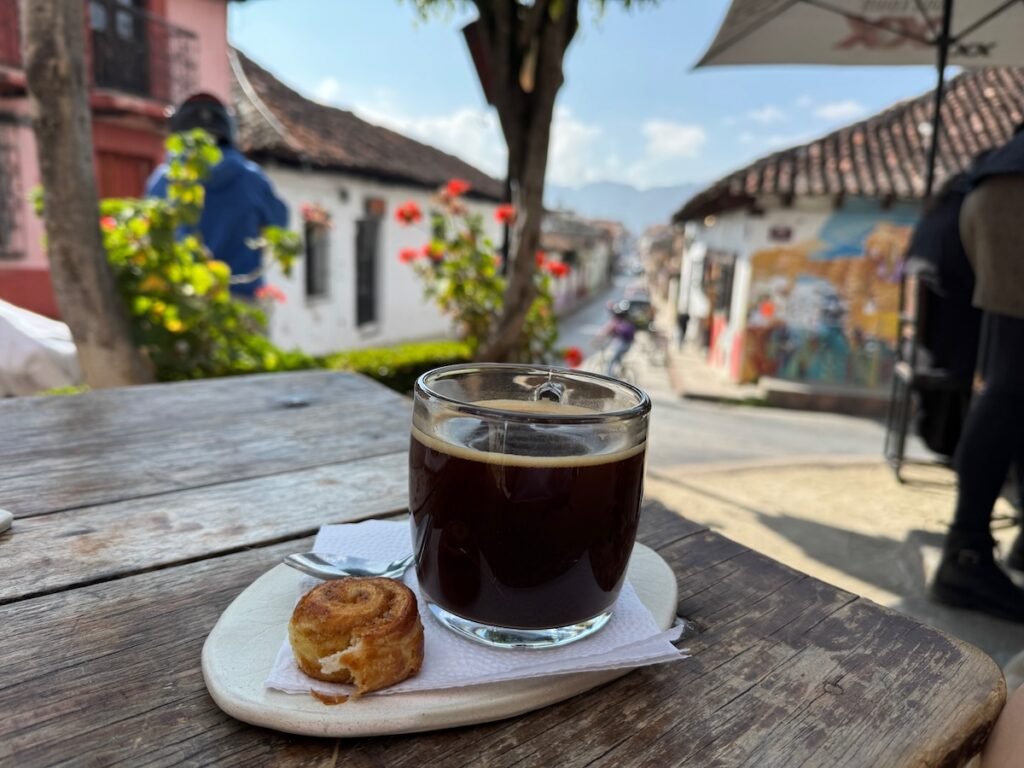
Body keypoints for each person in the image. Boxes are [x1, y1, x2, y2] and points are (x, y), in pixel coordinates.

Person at [929, 128, 1024, 623]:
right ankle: (965, 554)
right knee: (1013, 382)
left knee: (1016, 382)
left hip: (1000, 187)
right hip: (1014, 191)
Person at [146, 93, 288, 299]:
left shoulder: (163, 180)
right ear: (228, 131)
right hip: (241, 302)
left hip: (182, 303)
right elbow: (279, 225)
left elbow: (149, 236)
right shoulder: (253, 179)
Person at [599, 301, 637, 378]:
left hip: (623, 345)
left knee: (611, 361)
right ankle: (619, 371)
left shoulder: (617, 322)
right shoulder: (625, 321)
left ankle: (608, 377)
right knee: (616, 359)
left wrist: (598, 340)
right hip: (626, 344)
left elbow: (606, 331)